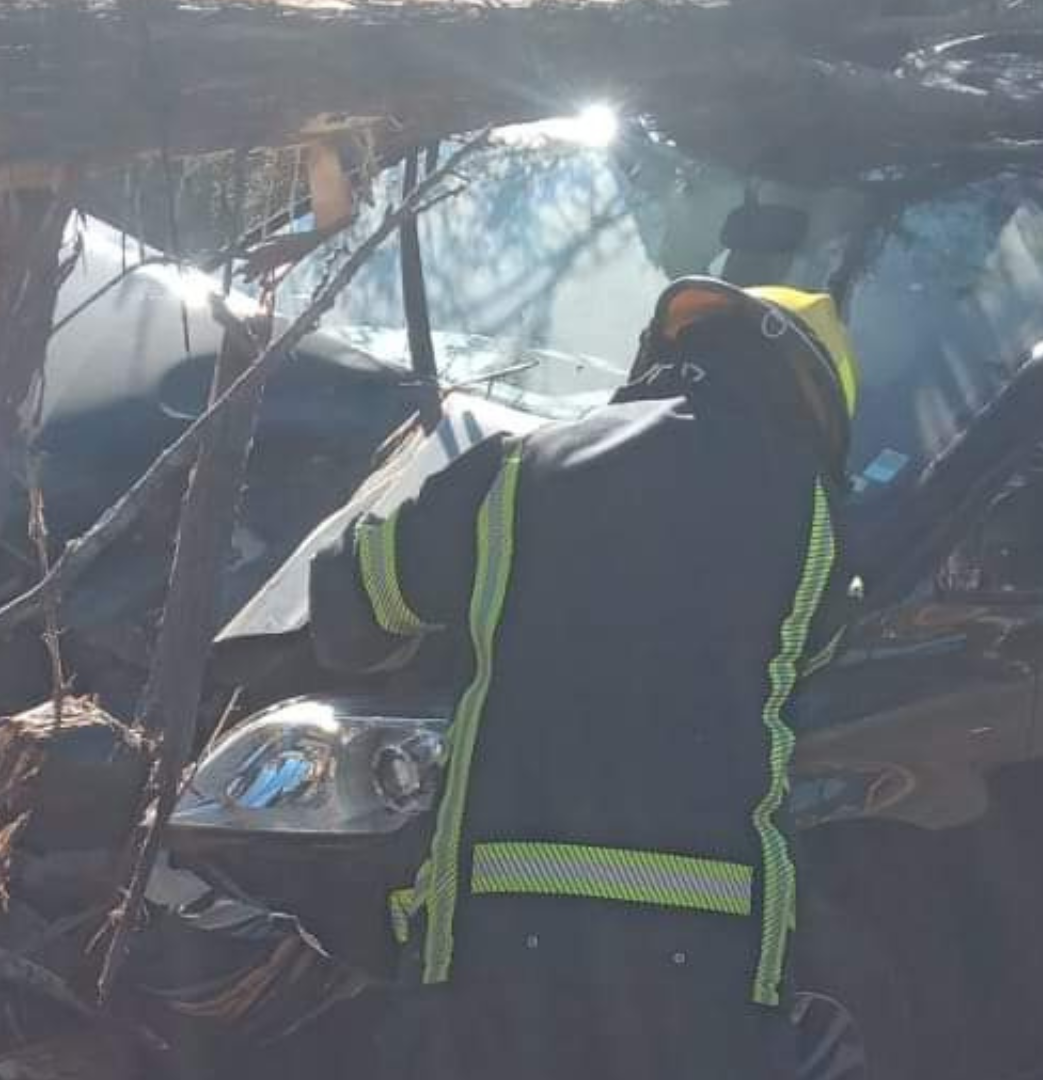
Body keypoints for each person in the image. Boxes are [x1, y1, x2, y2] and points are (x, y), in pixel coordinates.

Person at [307, 277, 862, 1079]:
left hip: (490, 950)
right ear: (816, 403)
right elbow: (800, 659)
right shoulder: (820, 523)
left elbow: (355, 603)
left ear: (662, 351)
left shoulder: (520, 470)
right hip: (713, 967)